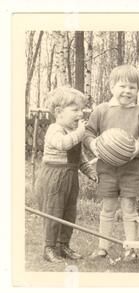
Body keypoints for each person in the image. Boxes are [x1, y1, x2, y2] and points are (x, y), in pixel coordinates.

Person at [84, 64, 139, 262]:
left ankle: (130, 248)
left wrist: (137, 147)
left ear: (138, 91)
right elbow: (88, 132)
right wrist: (94, 145)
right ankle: (102, 247)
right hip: (106, 168)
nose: (127, 91)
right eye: (122, 86)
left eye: (132, 87)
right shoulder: (101, 110)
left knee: (129, 208)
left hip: (131, 169)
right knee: (107, 208)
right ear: (111, 87)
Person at [35, 86, 97, 263]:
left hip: (70, 177)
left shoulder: (73, 132)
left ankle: (63, 245)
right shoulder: (55, 129)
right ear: (59, 112)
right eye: (75, 110)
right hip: (54, 177)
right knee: (53, 212)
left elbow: (79, 158)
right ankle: (49, 248)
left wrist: (89, 171)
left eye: (82, 110)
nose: (80, 114)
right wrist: (79, 133)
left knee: (69, 213)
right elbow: (63, 144)